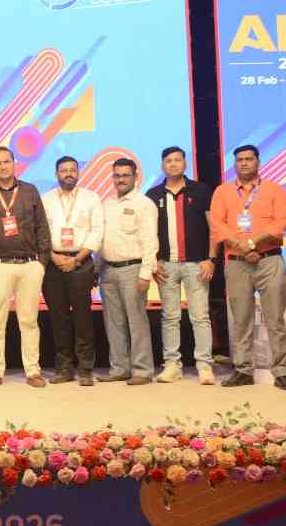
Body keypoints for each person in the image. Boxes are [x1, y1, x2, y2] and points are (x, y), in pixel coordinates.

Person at [211, 144, 286, 390]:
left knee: (275, 318)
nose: (244, 163)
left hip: (269, 260)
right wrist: (242, 246)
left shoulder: (274, 190)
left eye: (249, 159)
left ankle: (281, 372)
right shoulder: (222, 192)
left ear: (258, 162)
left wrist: (252, 243)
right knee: (241, 319)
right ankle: (243, 370)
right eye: (240, 160)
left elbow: (280, 223)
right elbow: (217, 225)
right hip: (237, 263)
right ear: (234, 164)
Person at [0, 146, 50, 388]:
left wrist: (42, 263)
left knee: (29, 321)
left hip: (29, 265)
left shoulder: (30, 191)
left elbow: (42, 227)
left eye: (7, 161)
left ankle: (33, 371)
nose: (3, 166)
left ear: (14, 163)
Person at [146, 146, 216, 385]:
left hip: (197, 264)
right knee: (170, 317)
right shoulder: (153, 194)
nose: (173, 164)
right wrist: (153, 261)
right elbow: (148, 232)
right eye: (168, 160)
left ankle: (204, 365)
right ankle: (172, 365)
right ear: (162, 165)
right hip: (166, 265)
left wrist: (211, 259)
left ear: (185, 164)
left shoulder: (201, 191)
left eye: (178, 160)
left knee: (200, 316)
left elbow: (213, 228)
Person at [41, 156, 103, 386]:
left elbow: (97, 231)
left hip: (81, 262)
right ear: (56, 174)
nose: (68, 174)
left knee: (83, 318)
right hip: (53, 262)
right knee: (58, 319)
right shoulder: (46, 199)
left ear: (78, 173)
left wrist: (76, 259)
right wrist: (54, 257)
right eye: (63, 170)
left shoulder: (91, 198)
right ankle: (64, 368)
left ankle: (85, 369)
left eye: (72, 170)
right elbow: (40, 232)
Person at [99, 158, 159, 385]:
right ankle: (119, 368)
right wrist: (96, 268)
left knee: (136, 321)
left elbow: (150, 241)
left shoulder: (144, 204)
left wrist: (145, 274)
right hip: (107, 270)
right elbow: (101, 239)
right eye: (117, 175)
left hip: (132, 269)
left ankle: (142, 370)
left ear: (135, 177)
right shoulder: (107, 204)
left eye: (125, 175)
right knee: (113, 323)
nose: (121, 179)